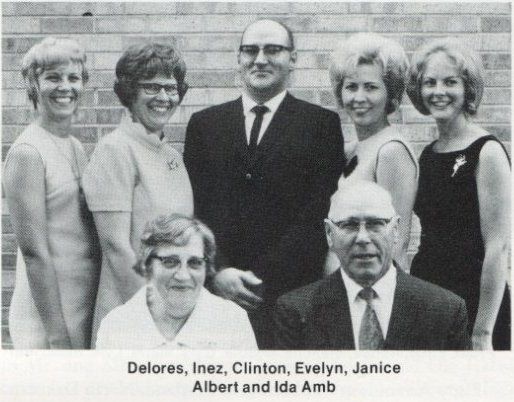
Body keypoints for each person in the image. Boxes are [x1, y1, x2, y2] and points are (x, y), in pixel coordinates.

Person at [184, 19, 345, 348]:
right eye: (250, 50)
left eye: (273, 50)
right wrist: (218, 272)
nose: (260, 59)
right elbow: (196, 208)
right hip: (217, 295)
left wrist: (259, 279)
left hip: (291, 297)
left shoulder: (321, 125)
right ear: (238, 58)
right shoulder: (204, 125)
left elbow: (318, 213)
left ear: (293, 58)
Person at [82, 43, 194, 343]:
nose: (164, 97)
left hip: (173, 311)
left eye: (171, 88)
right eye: (152, 87)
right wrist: (156, 321)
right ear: (130, 92)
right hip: (131, 315)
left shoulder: (170, 155)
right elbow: (116, 248)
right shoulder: (115, 150)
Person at [273, 181, 470, 350]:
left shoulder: (445, 311)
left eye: (375, 224)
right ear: (329, 234)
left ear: (395, 230)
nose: (363, 238)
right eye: (349, 225)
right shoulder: (296, 311)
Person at [406, 38, 511, 350]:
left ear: (468, 89)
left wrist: (483, 333)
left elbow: (498, 248)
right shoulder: (428, 154)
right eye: (430, 82)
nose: (438, 91)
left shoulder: (487, 152)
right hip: (430, 295)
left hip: (474, 301)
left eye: (450, 82)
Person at [4, 37, 100, 349]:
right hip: (47, 318)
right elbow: (34, 254)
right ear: (33, 85)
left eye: (73, 78)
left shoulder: (75, 147)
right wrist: (57, 338)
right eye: (53, 77)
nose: (65, 87)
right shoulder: (28, 152)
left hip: (80, 303)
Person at [326, 33, 417, 274]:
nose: (359, 97)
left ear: (391, 94)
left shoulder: (391, 151)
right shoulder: (351, 149)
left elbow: (395, 244)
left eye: (371, 87)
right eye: (351, 87)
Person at [95, 214, 257, 349]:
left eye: (195, 263)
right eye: (170, 262)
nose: (183, 276)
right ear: (148, 265)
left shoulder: (232, 321)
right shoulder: (116, 325)